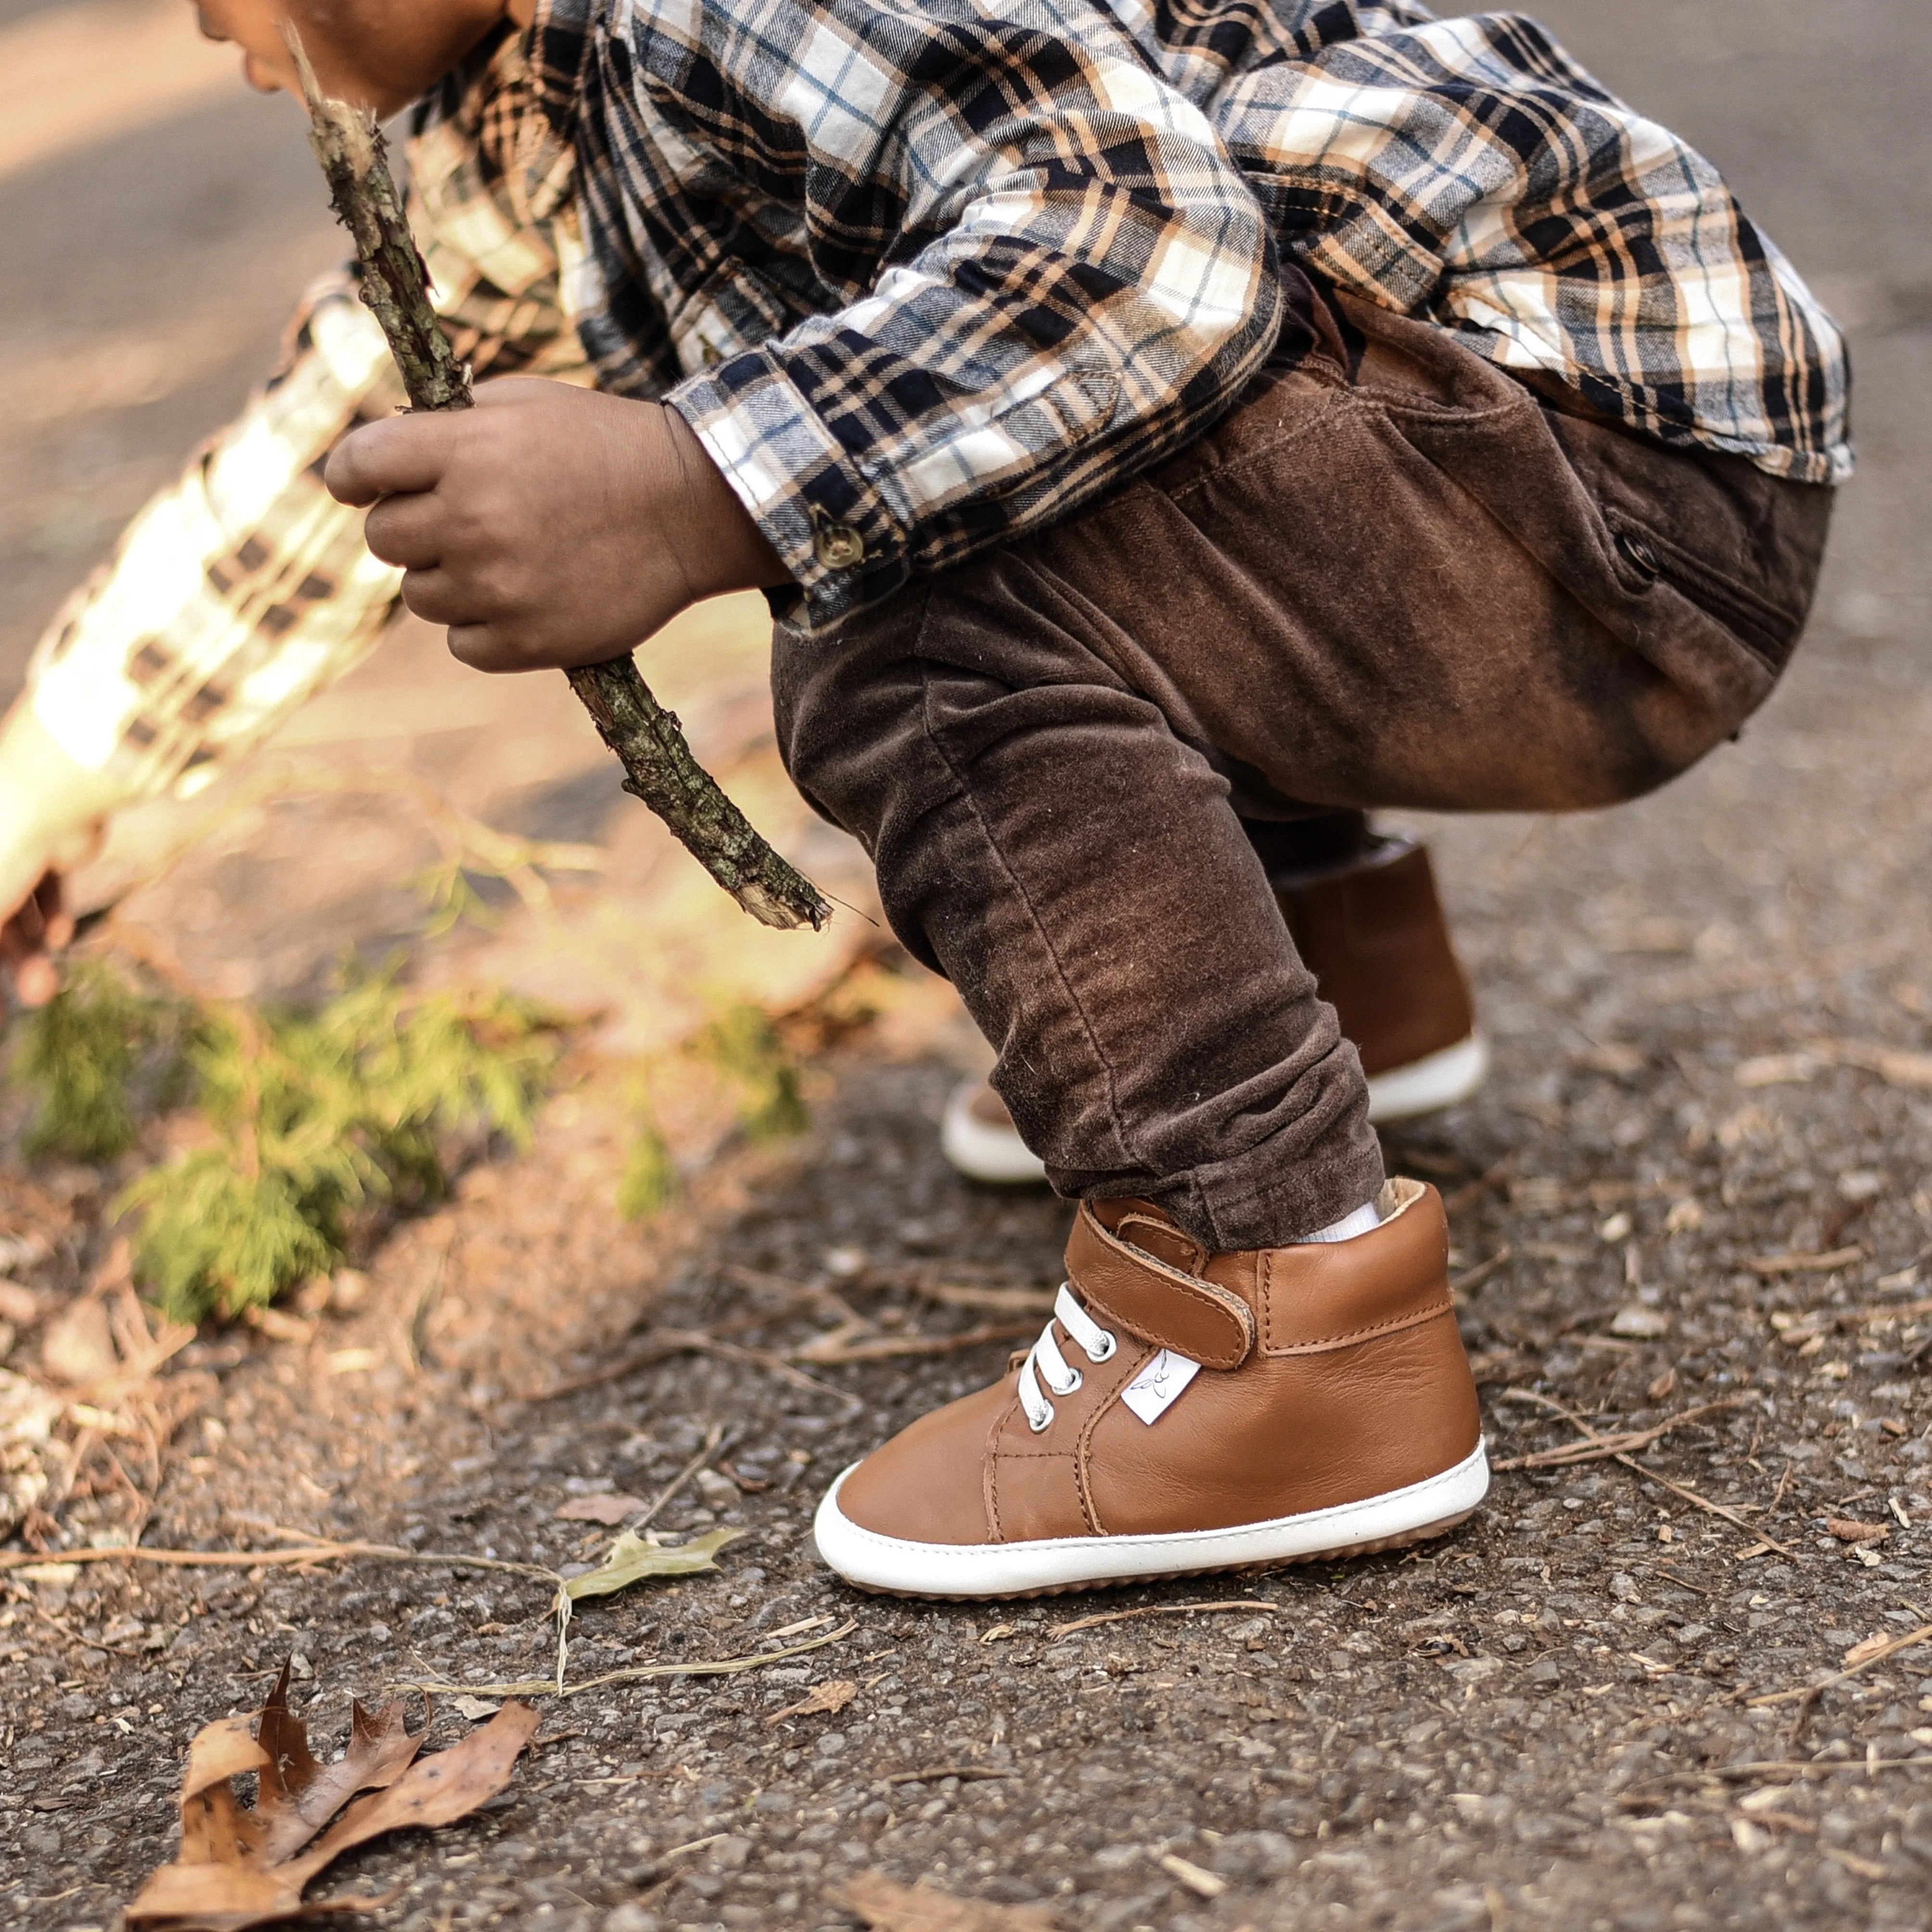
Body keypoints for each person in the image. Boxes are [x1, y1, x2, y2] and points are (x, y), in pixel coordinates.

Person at [0, 0, 1846, 1597]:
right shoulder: (525, 127)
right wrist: (70, 768)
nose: (209, 37)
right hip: (1508, 526)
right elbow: (329, 442)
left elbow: (1144, 245)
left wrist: (691, 481)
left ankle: (1266, 1303)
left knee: (900, 610)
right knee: (937, 454)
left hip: (1582, 493)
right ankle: (1329, 967)